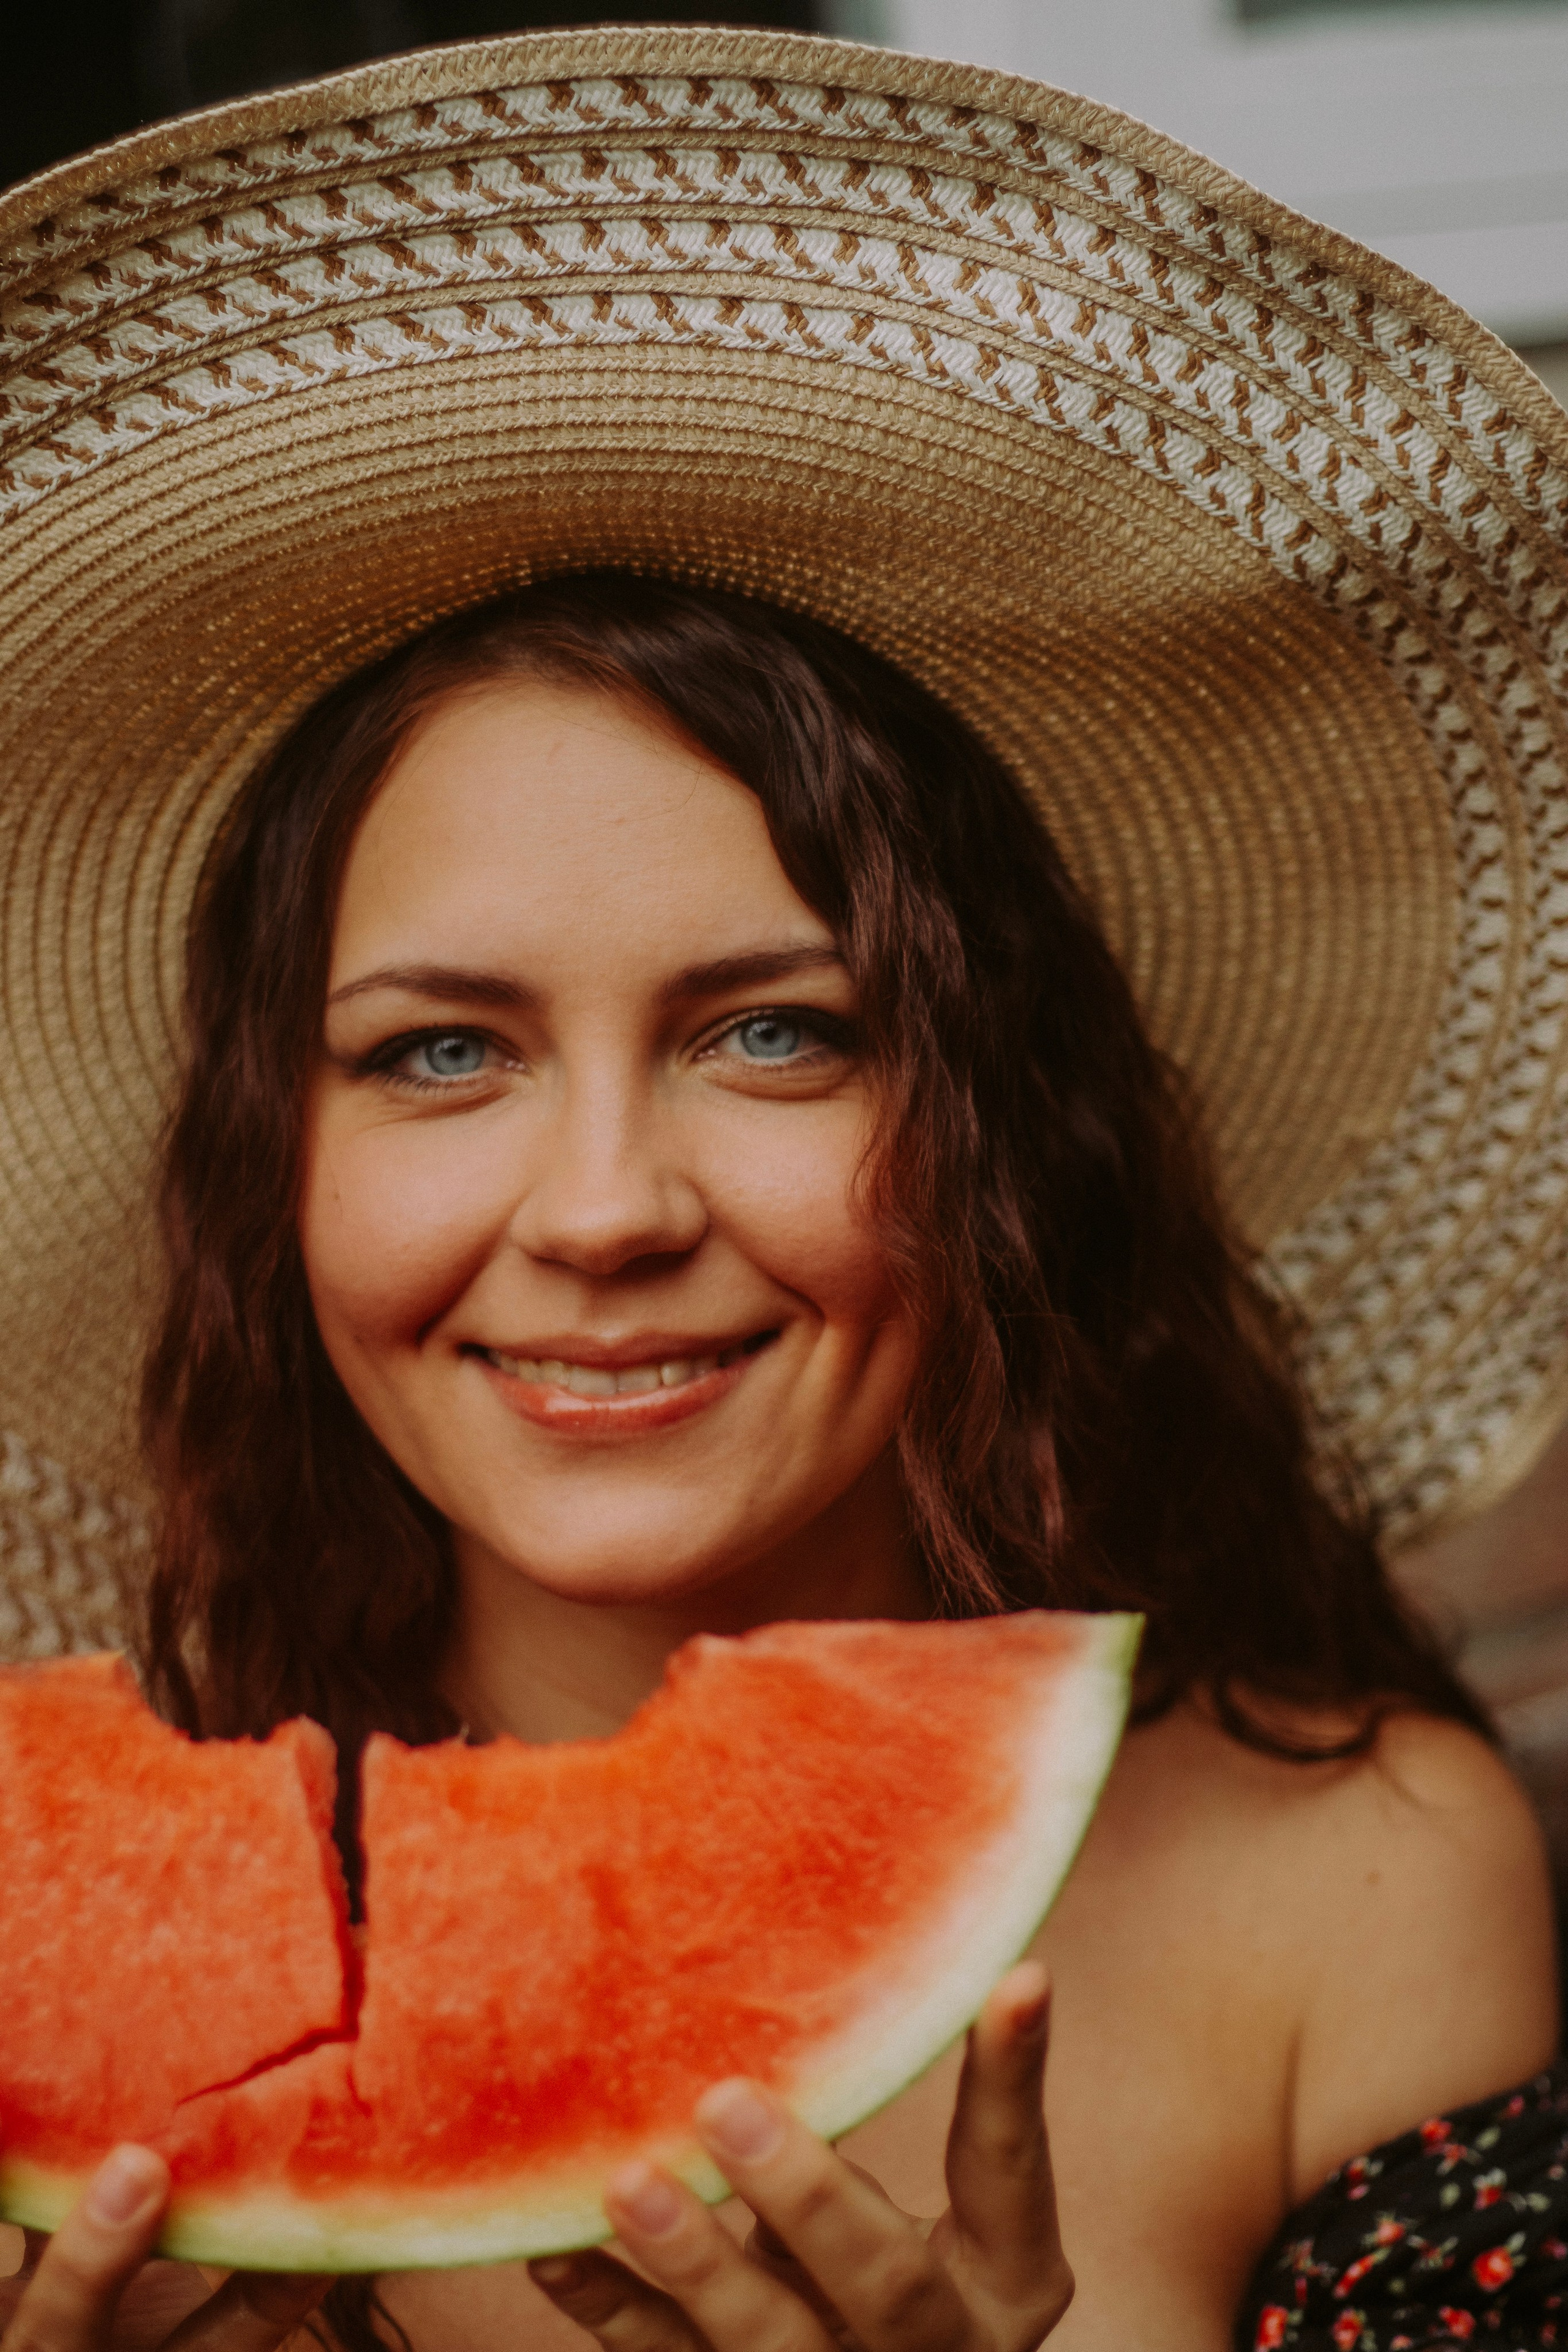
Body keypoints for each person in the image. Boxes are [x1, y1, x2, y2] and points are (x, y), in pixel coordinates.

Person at [0, 26, 1564, 2352]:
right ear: (269, 1172)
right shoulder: (41, 1949)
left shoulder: (1362, 1881)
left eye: (778, 1033)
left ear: (998, 1122)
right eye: (440, 1052)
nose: (609, 1207)